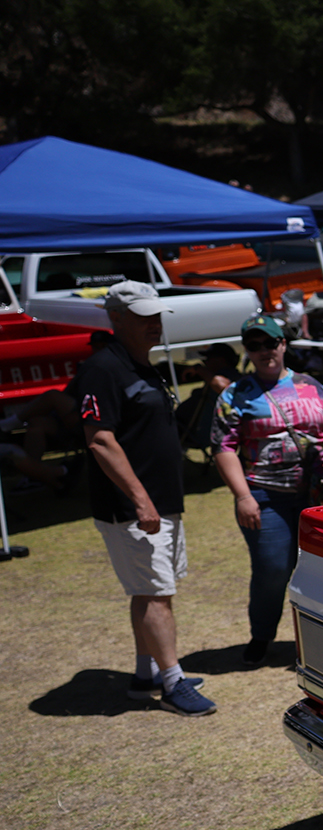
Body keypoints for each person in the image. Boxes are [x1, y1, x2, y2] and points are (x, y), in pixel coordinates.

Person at [67, 280, 215, 714]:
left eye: (156, 316)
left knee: (148, 590)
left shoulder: (142, 364)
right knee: (156, 594)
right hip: (133, 507)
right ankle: (172, 682)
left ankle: (145, 673)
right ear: (115, 318)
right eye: (143, 317)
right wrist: (140, 499)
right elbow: (100, 440)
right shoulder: (103, 368)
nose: (154, 324)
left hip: (160, 501)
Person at [212, 315, 323, 665]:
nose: (264, 352)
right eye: (254, 346)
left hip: (317, 496)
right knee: (273, 570)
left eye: (270, 343)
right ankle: (262, 635)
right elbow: (223, 447)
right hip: (264, 495)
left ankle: (322, 636)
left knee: (321, 571)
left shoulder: (310, 385)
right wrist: (242, 496)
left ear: (283, 344)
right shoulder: (236, 393)